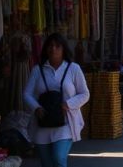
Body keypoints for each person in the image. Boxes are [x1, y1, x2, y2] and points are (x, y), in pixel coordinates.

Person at [22, 33, 90, 167]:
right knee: (46, 163)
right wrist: (37, 108)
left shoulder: (73, 68)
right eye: (50, 46)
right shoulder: (37, 70)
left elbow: (85, 94)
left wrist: (68, 104)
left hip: (65, 122)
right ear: (46, 49)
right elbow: (26, 94)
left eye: (57, 46)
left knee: (59, 159)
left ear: (63, 49)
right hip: (43, 122)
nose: (53, 49)